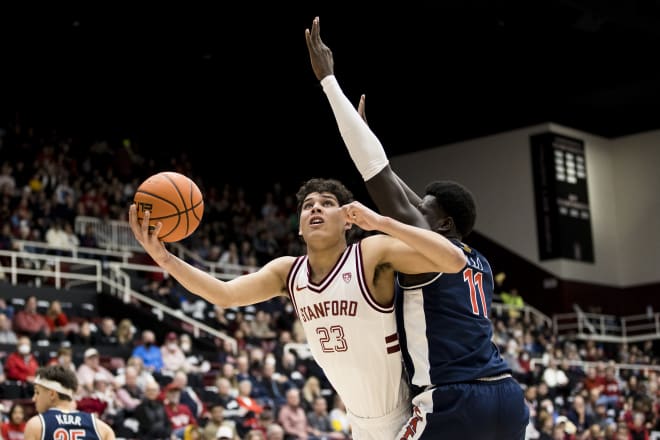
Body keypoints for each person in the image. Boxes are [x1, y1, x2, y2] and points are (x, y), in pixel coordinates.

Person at [306, 16, 529, 439]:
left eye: (423, 210)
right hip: (506, 396)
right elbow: (396, 184)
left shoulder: (428, 251)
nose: (412, 209)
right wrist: (367, 135)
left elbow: (378, 177)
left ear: (443, 223)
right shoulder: (476, 261)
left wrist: (328, 82)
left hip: (455, 400)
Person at [128, 177, 465, 440]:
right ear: (300, 225)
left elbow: (452, 260)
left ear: (349, 219)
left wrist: (383, 223)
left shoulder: (370, 254)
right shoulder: (288, 272)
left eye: (327, 203)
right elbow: (224, 294)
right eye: (308, 206)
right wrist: (164, 259)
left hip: (407, 413)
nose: (315, 209)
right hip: (358, 420)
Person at [23, 364, 115, 440]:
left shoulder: (36, 425)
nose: (34, 398)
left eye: (37, 392)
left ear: (52, 394)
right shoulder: (103, 429)